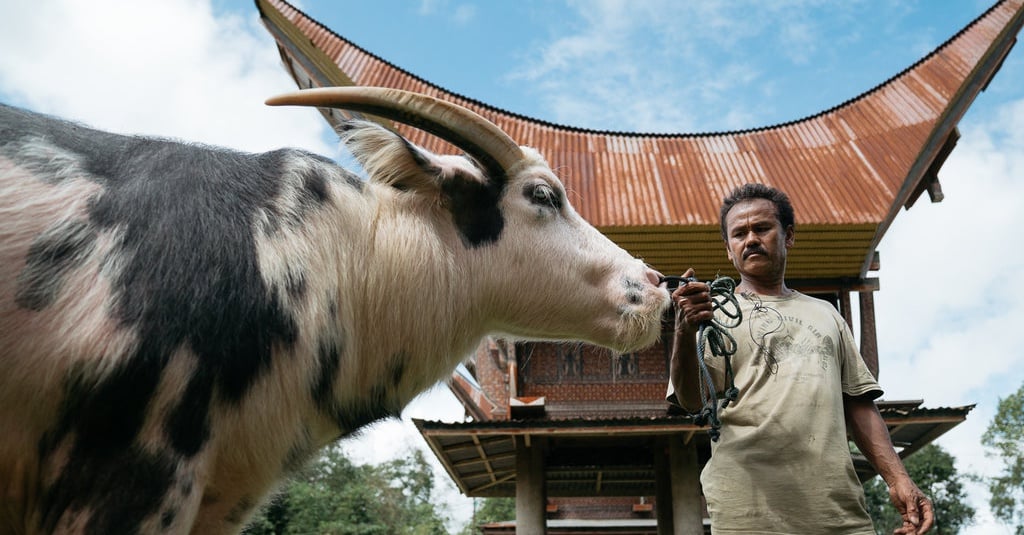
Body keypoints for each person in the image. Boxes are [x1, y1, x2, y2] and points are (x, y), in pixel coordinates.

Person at [667, 183, 933, 534]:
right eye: (739, 233)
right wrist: (684, 331)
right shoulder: (710, 313)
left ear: (788, 236)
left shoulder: (826, 315)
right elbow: (691, 400)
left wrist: (899, 479)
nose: (750, 239)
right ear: (729, 249)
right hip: (748, 511)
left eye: (762, 228)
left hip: (837, 510)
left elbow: (858, 405)